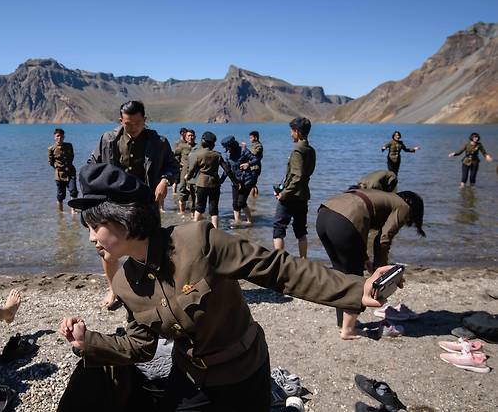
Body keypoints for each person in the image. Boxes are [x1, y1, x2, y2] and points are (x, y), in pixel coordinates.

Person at [60, 163, 397, 411]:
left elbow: (278, 269)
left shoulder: (199, 241)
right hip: (190, 374)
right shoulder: (124, 282)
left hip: (244, 371)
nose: (91, 237)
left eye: (96, 225)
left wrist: (356, 289)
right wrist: (88, 342)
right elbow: (141, 345)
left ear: (124, 218)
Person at [87, 100, 179, 308]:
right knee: (107, 250)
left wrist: (165, 180)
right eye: (129, 124)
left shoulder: (159, 142)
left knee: (151, 249)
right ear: (121, 121)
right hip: (114, 205)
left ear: (145, 120)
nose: (134, 128)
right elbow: (92, 165)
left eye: (138, 123)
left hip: (146, 205)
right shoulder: (108, 140)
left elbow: (173, 167)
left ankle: (152, 289)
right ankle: (113, 290)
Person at [316, 189, 425, 340]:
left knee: (341, 274)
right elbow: (383, 239)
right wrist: (381, 273)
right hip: (344, 222)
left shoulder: (383, 198)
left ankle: (343, 323)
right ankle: (348, 330)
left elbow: (359, 223)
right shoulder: (403, 207)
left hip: (324, 215)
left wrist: (365, 259)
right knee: (355, 279)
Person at [273, 118, 316, 258]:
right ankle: (303, 260)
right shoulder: (311, 150)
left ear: (297, 132)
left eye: (292, 131)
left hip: (290, 197)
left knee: (278, 229)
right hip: (303, 196)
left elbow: (297, 176)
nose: (291, 134)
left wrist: (284, 193)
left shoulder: (298, 150)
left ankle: (279, 262)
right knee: (301, 231)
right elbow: (305, 174)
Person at [185, 132, 238, 229]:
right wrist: (235, 182)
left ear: (203, 142)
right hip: (214, 184)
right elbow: (227, 170)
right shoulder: (217, 155)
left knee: (200, 207)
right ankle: (215, 230)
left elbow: (192, 170)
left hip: (201, 183)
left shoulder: (199, 155)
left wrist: (187, 178)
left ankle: (194, 228)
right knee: (214, 209)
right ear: (213, 144)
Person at [221, 135, 257, 227]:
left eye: (228, 147)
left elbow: (255, 159)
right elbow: (227, 170)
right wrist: (220, 181)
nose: (227, 149)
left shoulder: (243, 151)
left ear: (232, 145)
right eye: (226, 148)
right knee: (235, 204)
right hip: (235, 182)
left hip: (246, 180)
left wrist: (248, 164)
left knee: (241, 202)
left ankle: (250, 221)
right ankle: (237, 221)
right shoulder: (228, 155)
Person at [48, 128, 79, 213]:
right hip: (59, 175)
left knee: (73, 191)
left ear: (64, 137)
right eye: (57, 136)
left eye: (61, 136)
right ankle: (60, 213)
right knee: (60, 195)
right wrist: (58, 167)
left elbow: (72, 157)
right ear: (54, 137)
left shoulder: (69, 146)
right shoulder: (51, 149)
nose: (59, 138)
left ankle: (73, 210)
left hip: (71, 172)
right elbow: (51, 162)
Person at [175, 129, 197, 213]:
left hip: (195, 174)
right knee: (182, 191)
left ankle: (193, 212)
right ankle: (182, 212)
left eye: (192, 135)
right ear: (185, 137)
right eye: (189, 136)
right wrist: (178, 164)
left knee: (194, 194)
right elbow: (173, 155)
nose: (190, 137)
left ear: (195, 137)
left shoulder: (198, 147)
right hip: (184, 173)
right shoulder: (181, 147)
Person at [248, 131, 263, 197]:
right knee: (252, 184)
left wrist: (245, 149)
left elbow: (254, 153)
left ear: (256, 138)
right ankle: (254, 198)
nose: (250, 139)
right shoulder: (253, 145)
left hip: (256, 167)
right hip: (252, 167)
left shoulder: (259, 145)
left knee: (252, 184)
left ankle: (254, 198)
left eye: (251, 138)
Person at [172, 128, 188, 196]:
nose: (186, 134)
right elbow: (174, 153)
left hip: (184, 164)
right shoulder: (178, 143)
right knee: (176, 180)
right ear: (182, 133)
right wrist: (178, 163)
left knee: (184, 179)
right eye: (185, 133)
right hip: (178, 163)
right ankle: (174, 194)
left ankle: (184, 193)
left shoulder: (186, 142)